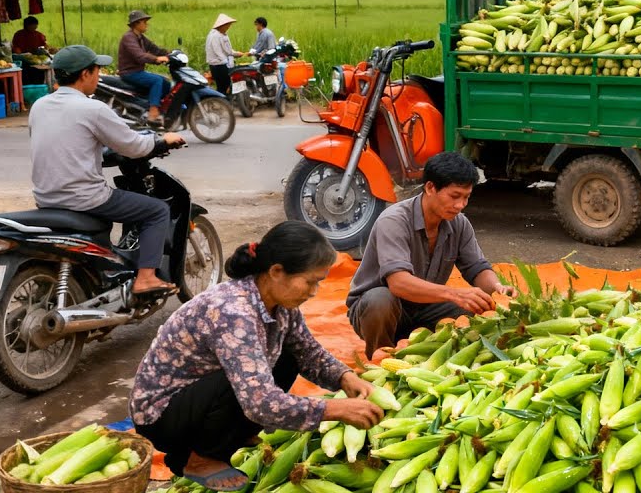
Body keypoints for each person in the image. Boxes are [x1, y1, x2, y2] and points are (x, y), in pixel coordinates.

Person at [130, 222, 384, 492]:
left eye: (319, 283)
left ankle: (231, 434)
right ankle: (198, 458)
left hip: (199, 399)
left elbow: (307, 351)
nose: (313, 292)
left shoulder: (279, 304)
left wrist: (345, 378)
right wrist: (335, 410)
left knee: (288, 356)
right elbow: (259, 403)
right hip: (163, 415)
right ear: (276, 272)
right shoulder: (233, 311)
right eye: (310, 282)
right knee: (247, 384)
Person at [30, 45, 185, 297]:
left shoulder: (39, 106)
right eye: (97, 70)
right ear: (84, 74)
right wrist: (163, 140)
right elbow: (134, 146)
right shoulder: (93, 108)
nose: (99, 75)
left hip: (46, 197)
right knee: (157, 210)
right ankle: (146, 278)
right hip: (85, 198)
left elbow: (66, 145)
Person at [347, 152, 516, 357]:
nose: (460, 205)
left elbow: (477, 267)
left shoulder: (459, 223)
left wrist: (497, 288)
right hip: (381, 312)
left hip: (425, 308)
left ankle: (433, 349)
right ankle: (380, 356)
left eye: (466, 197)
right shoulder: (394, 221)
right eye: (454, 196)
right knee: (379, 299)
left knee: (478, 304)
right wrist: (454, 294)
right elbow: (398, 283)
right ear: (430, 188)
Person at [117, 9, 171, 124]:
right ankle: (153, 111)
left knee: (166, 83)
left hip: (137, 72)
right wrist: (156, 59)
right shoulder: (129, 37)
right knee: (156, 81)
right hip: (129, 72)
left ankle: (149, 105)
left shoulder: (140, 37)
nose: (147, 24)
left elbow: (154, 48)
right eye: (144, 22)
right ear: (136, 23)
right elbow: (139, 56)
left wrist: (170, 54)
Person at [205, 13, 249, 96]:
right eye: (227, 25)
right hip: (219, 65)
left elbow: (227, 51)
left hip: (220, 64)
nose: (228, 27)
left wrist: (236, 53)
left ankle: (224, 103)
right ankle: (223, 104)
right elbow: (218, 52)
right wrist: (228, 64)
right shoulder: (215, 36)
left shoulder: (220, 35)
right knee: (224, 86)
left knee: (224, 86)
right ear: (222, 25)